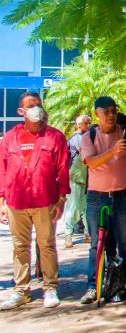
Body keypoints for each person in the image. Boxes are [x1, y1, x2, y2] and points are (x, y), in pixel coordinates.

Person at [0, 91, 69, 310]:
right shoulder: (10, 137)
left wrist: (61, 199)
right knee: (20, 247)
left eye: (38, 105)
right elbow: (2, 170)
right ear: (21, 111)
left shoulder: (54, 136)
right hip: (16, 202)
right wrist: (1, 201)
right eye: (31, 106)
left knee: (46, 245)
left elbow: (62, 169)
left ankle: (50, 287)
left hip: (45, 200)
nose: (36, 109)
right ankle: (21, 290)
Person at [79, 96, 126, 304]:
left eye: (113, 110)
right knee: (96, 245)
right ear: (97, 114)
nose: (111, 114)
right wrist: (113, 150)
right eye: (106, 111)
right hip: (96, 197)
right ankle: (94, 287)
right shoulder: (89, 136)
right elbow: (90, 162)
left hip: (122, 196)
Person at [64, 114, 92, 248]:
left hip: (84, 177)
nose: (88, 125)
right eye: (86, 123)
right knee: (73, 206)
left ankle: (87, 234)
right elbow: (86, 155)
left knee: (86, 207)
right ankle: (68, 234)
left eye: (89, 123)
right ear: (79, 124)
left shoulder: (84, 137)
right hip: (76, 177)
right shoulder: (78, 138)